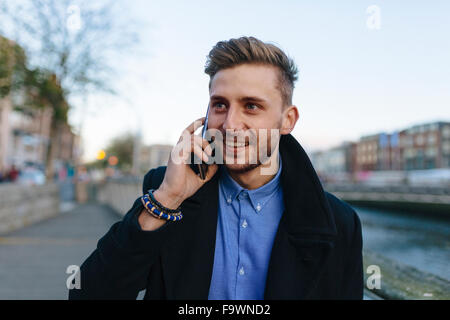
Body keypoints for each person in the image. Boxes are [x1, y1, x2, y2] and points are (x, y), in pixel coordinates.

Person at [69, 36, 363, 300]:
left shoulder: (338, 223)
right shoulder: (167, 192)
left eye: (251, 106)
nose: (231, 124)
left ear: (288, 120)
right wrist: (167, 199)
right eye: (220, 105)